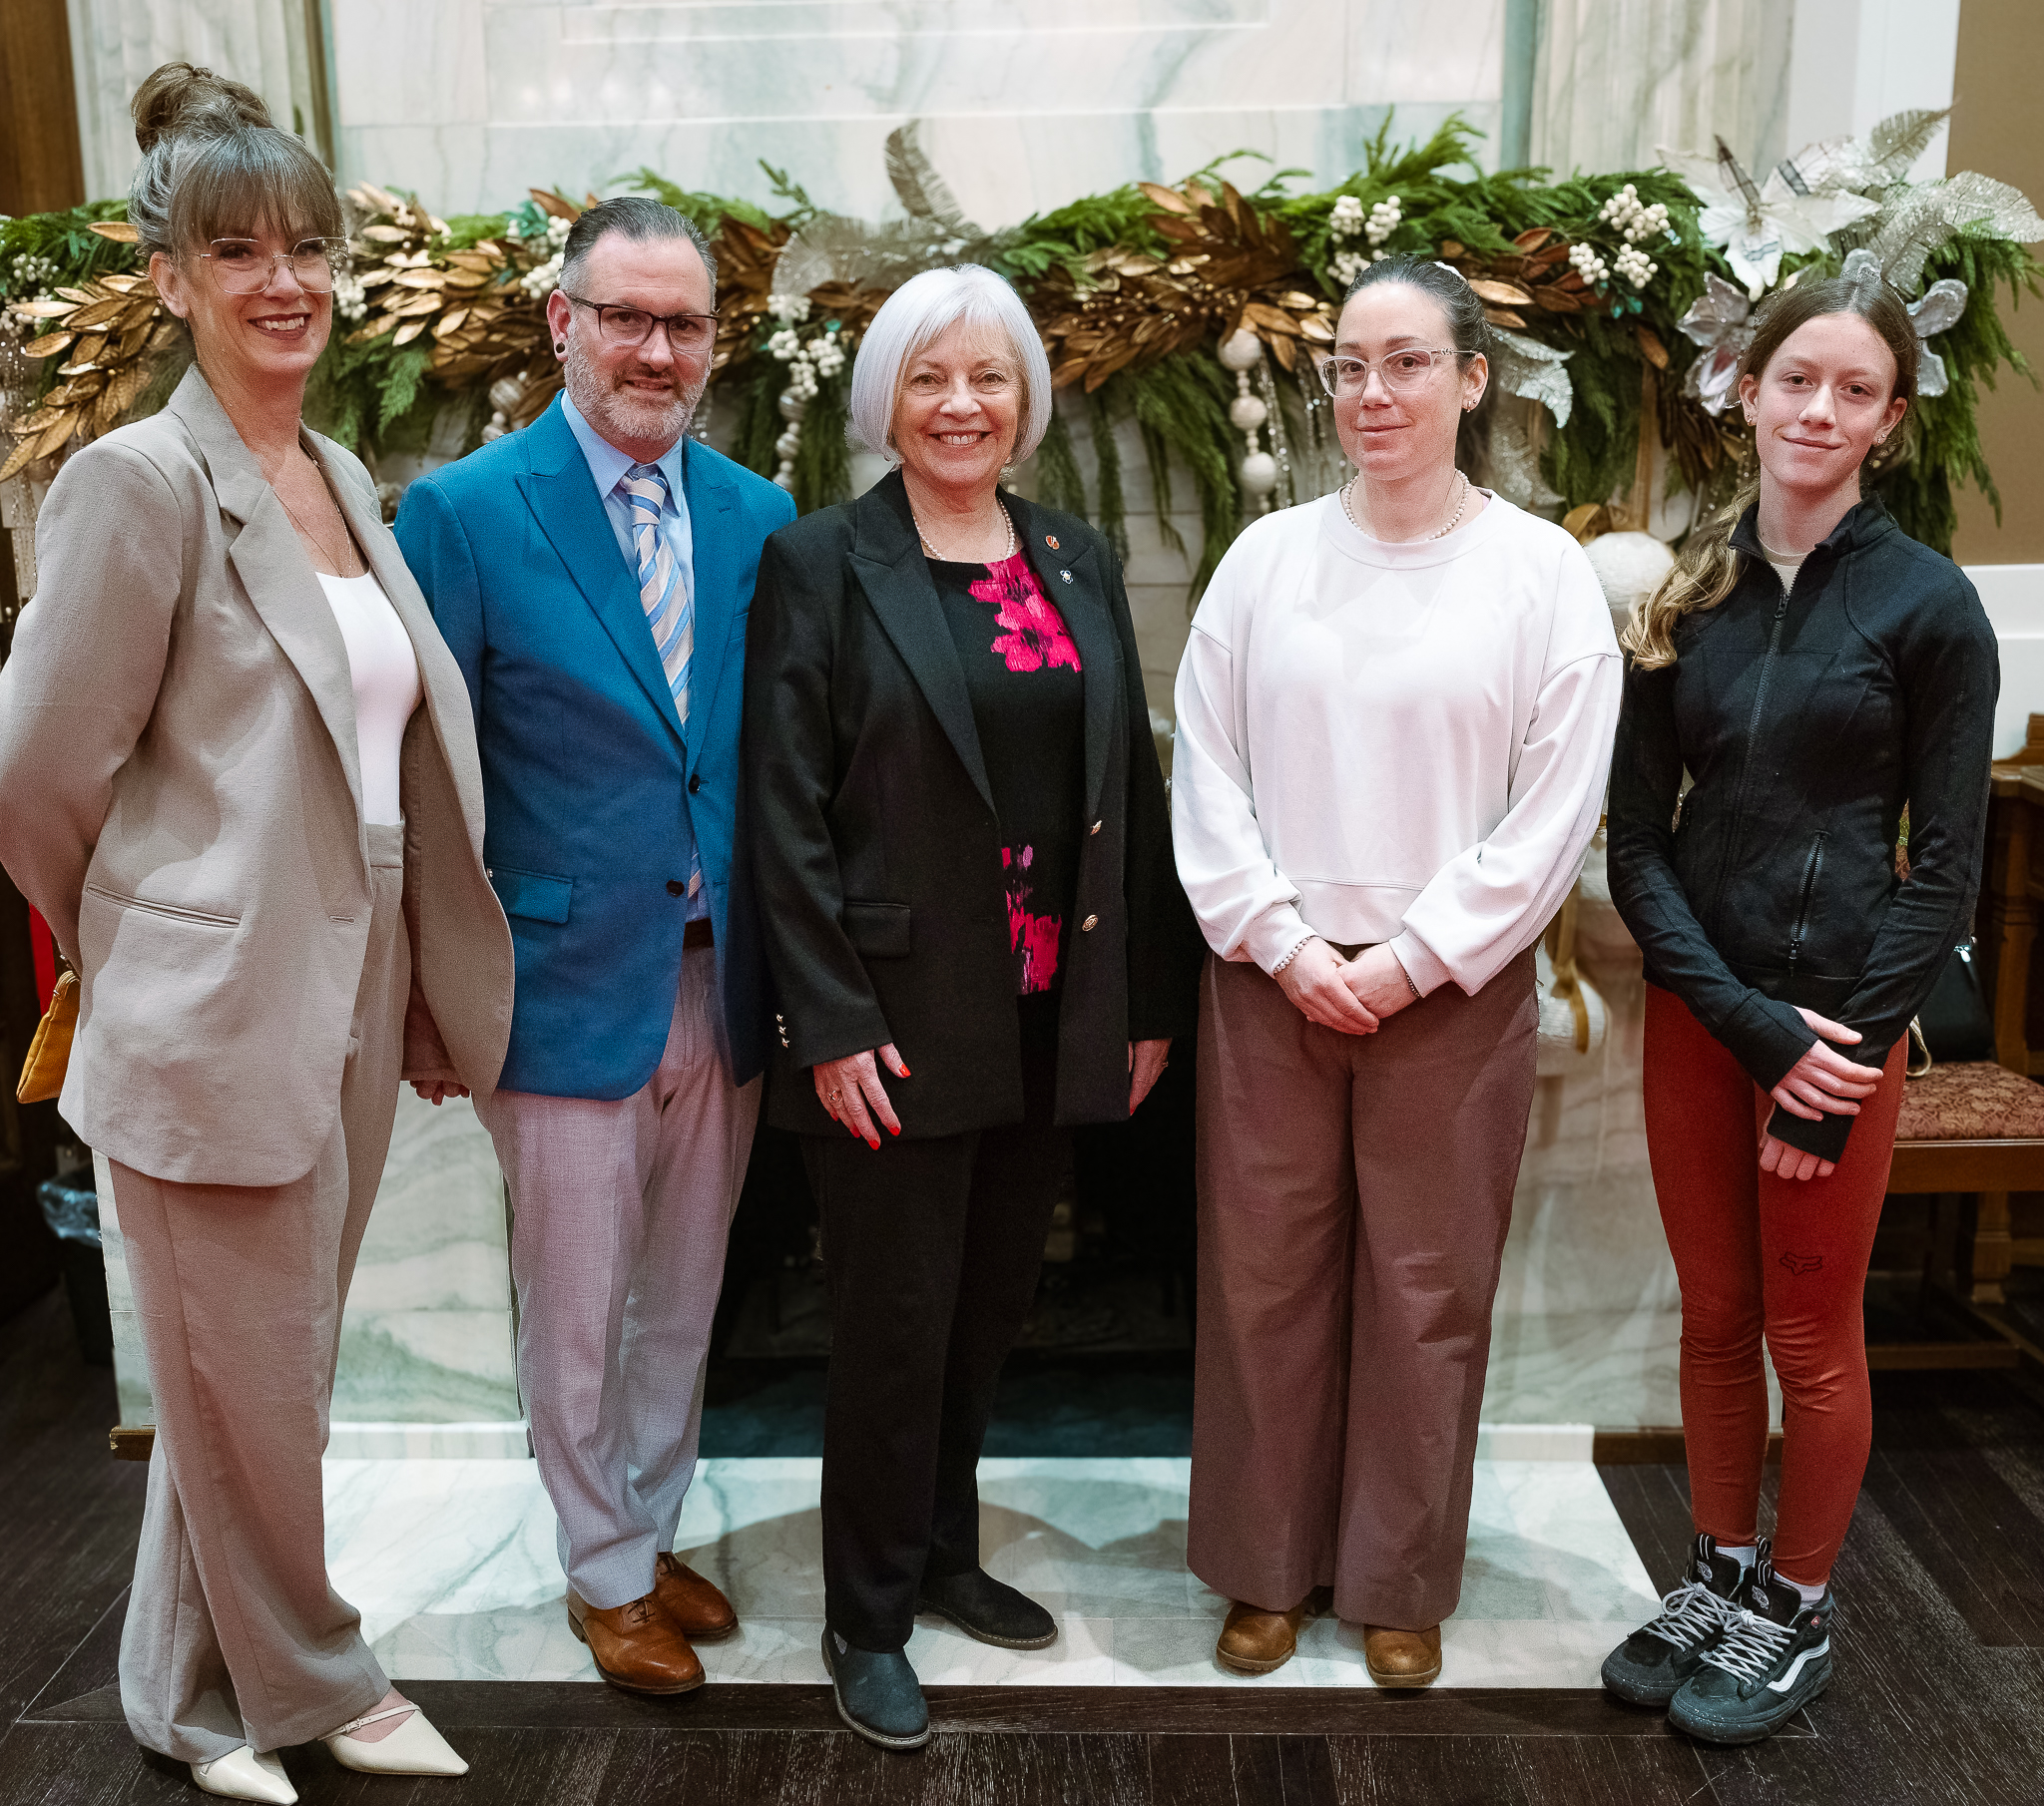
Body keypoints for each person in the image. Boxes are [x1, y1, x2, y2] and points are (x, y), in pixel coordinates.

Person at [0, 65, 510, 1801]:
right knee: (257, 1376)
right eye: (237, 251)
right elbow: (34, 774)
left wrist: (417, 978)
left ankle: (180, 1688)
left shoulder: (336, 470)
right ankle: (323, 1684)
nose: (281, 278)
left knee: (246, 1370)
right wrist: (144, 935)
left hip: (352, 976)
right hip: (213, 989)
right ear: (168, 280)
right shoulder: (137, 484)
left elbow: (387, 744)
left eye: (305, 243)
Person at [745, 264, 1203, 1749]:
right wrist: (823, 1021)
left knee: (992, 1309)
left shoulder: (1069, 554)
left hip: (1047, 1009)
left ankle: (943, 1552)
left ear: (1025, 400)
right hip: (890, 1018)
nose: (960, 404)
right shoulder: (822, 562)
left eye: (988, 377)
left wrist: (1136, 994)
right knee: (892, 1321)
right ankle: (862, 1613)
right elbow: (785, 811)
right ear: (886, 397)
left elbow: (1124, 784)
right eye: (930, 378)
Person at [1172, 255, 1621, 1688]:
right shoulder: (1268, 559)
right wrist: (1291, 942)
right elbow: (1207, 768)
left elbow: (1553, 807)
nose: (1373, 393)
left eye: (1407, 362)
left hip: (1454, 991)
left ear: (1472, 379)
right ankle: (1264, 1567)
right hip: (1273, 981)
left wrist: (1417, 954)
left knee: (1429, 1289)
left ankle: (1398, 1574)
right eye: (1349, 366)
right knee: (1262, 1280)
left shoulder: (1541, 573)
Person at [392, 195, 793, 1699]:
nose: (654, 348)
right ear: (562, 322)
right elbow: (425, 782)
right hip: (555, 990)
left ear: (713, 345)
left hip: (720, 977)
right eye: (623, 315)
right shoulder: (464, 514)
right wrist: (432, 1000)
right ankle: (600, 1570)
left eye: (682, 323)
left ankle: (644, 1522)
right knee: (574, 1303)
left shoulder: (757, 518)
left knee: (684, 1294)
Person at [1602, 270, 1996, 1743]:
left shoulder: (1928, 604)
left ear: (1891, 420)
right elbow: (1638, 842)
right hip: (1704, 1018)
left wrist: (1821, 1057)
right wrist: (1737, 1020)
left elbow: (1946, 868)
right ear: (1746, 391)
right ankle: (1716, 1573)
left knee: (1809, 1333)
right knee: (1712, 1315)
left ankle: (1799, 1604)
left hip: (1841, 1032)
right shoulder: (1689, 592)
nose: (1817, 410)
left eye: (1853, 390)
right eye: (1795, 380)